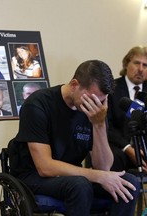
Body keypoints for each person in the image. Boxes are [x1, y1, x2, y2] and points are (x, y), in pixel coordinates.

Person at [8, 60, 140, 216]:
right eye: (91, 99)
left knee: (130, 183)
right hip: (33, 177)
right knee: (80, 184)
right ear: (74, 85)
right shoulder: (37, 104)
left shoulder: (97, 111)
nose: (96, 105)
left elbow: (103, 167)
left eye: (102, 100)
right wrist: (97, 176)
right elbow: (44, 167)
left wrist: (99, 126)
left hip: (72, 177)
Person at [107, 46, 147, 172]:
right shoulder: (111, 88)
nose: (140, 69)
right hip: (119, 147)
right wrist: (128, 148)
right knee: (114, 158)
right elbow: (106, 126)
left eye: (145, 65)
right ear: (126, 64)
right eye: (136, 63)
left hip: (144, 146)